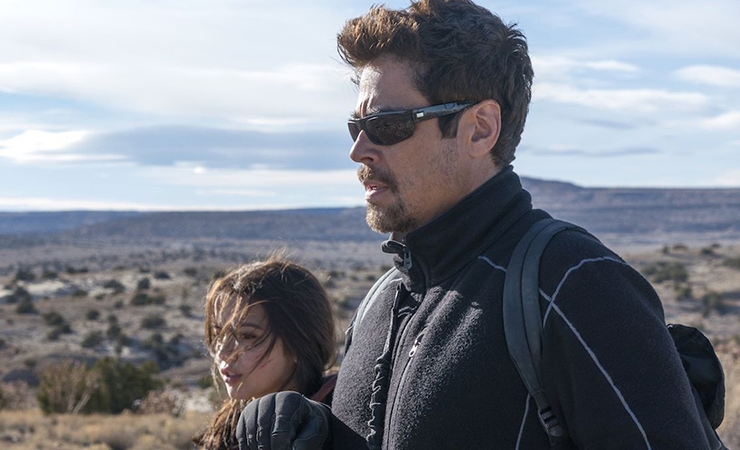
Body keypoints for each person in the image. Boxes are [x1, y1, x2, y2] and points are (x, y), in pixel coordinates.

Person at [237, 0, 712, 449]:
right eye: (356, 126)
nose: (358, 150)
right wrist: (317, 428)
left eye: (387, 125)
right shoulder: (382, 301)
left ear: (480, 128)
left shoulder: (573, 284)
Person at [192, 256, 337, 450]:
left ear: (299, 343)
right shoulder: (226, 430)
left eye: (247, 336)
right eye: (219, 333)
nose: (223, 352)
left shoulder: (342, 428)